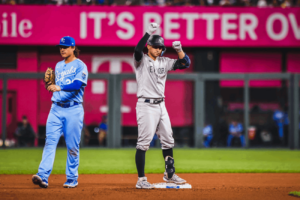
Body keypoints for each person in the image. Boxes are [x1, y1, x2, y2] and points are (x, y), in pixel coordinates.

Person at [133, 23, 191, 189]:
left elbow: (185, 63)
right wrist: (147, 33)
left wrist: (179, 50)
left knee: (168, 140)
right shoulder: (141, 60)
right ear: (149, 46)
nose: (159, 50)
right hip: (146, 105)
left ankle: (170, 174)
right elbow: (137, 50)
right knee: (143, 143)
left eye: (161, 47)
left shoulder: (164, 61)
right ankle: (141, 180)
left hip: (161, 105)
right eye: (156, 47)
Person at [32, 36, 88, 189]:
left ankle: (71, 178)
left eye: (65, 46)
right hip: (55, 108)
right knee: (50, 142)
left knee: (72, 146)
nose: (62, 49)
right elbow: (55, 85)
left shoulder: (80, 65)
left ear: (73, 48)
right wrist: (50, 86)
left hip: (73, 109)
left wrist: (59, 87)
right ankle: (43, 176)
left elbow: (77, 85)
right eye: (60, 46)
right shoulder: (58, 66)